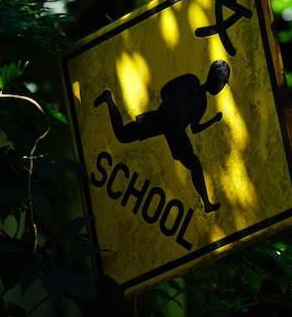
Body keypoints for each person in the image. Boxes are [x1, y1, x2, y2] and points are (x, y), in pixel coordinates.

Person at [94, 60, 230, 213]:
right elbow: (165, 91)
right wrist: (173, 107)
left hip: (176, 132)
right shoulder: (190, 81)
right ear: (214, 78)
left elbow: (195, 128)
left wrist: (212, 120)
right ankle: (108, 100)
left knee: (194, 164)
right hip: (162, 118)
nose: (220, 87)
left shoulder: (202, 103)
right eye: (221, 83)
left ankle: (206, 203)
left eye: (222, 84)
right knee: (122, 135)